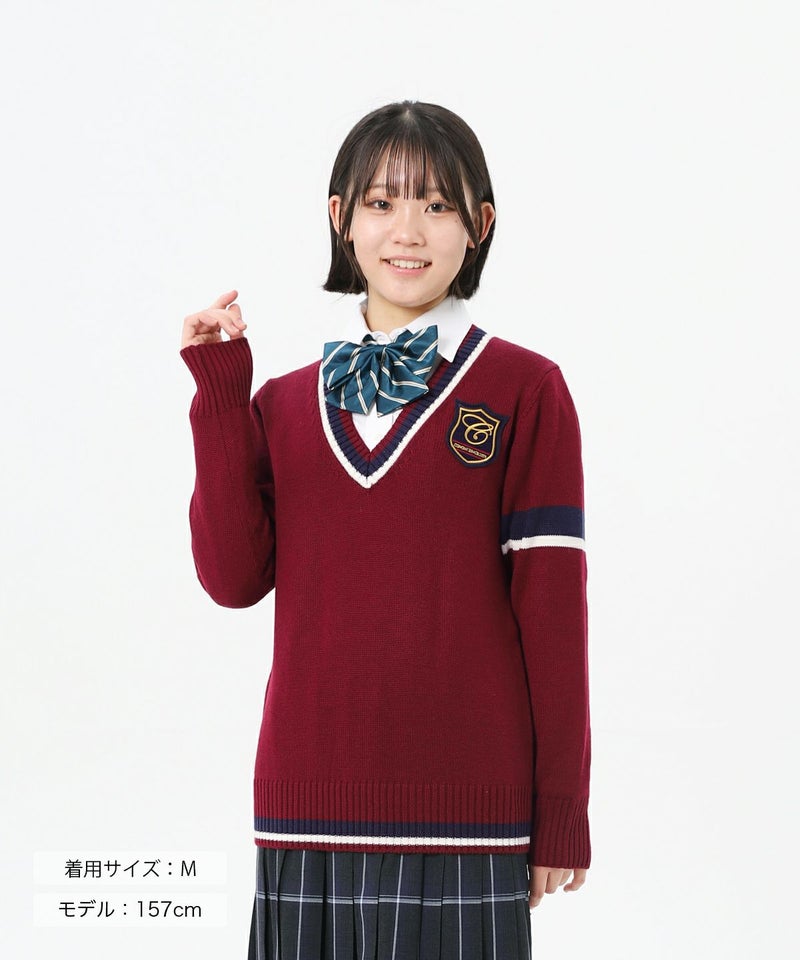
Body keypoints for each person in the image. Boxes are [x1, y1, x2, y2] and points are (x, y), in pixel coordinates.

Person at [179, 100, 591, 960]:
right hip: (304, 812)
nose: (409, 230)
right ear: (342, 218)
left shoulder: (524, 389)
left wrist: (561, 811)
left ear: (480, 224)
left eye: (438, 205)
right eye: (382, 202)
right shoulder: (283, 404)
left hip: (470, 817)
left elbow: (554, 617)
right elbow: (232, 579)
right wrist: (220, 393)